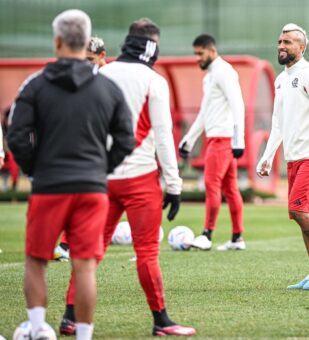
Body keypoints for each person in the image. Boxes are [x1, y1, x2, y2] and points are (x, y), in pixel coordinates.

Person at [59, 18, 196, 337]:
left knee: (88, 251)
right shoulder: (153, 81)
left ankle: (69, 317)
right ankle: (161, 321)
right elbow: (163, 136)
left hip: (100, 177)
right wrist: (174, 186)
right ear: (153, 45)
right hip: (139, 178)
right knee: (147, 251)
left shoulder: (101, 74)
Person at [7, 9, 135, 340]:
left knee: (37, 261)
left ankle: (37, 329)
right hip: (92, 187)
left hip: (49, 185)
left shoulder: (35, 84)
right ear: (85, 41)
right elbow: (126, 139)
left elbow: (16, 135)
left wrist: (35, 169)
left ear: (58, 41)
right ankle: (83, 336)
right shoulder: (108, 87)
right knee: (84, 265)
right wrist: (101, 168)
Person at [257, 23, 309, 290]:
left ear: (302, 47)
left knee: (297, 210)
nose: (281, 46)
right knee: (303, 215)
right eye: (280, 42)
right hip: (293, 158)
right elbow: (278, 122)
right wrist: (267, 156)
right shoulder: (281, 80)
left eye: (288, 42)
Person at [179, 34, 246, 251]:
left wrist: (239, 139)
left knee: (211, 184)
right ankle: (237, 238)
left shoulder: (224, 72)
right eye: (195, 53)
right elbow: (205, 113)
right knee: (230, 188)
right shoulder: (210, 76)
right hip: (217, 138)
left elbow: (238, 105)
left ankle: (207, 235)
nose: (197, 57)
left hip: (222, 139)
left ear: (212, 50)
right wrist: (188, 140)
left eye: (200, 53)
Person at [54, 35, 109, 262]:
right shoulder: (82, 77)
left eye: (90, 59)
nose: (86, 63)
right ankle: (67, 244)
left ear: (102, 56)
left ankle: (146, 241)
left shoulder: (112, 77)